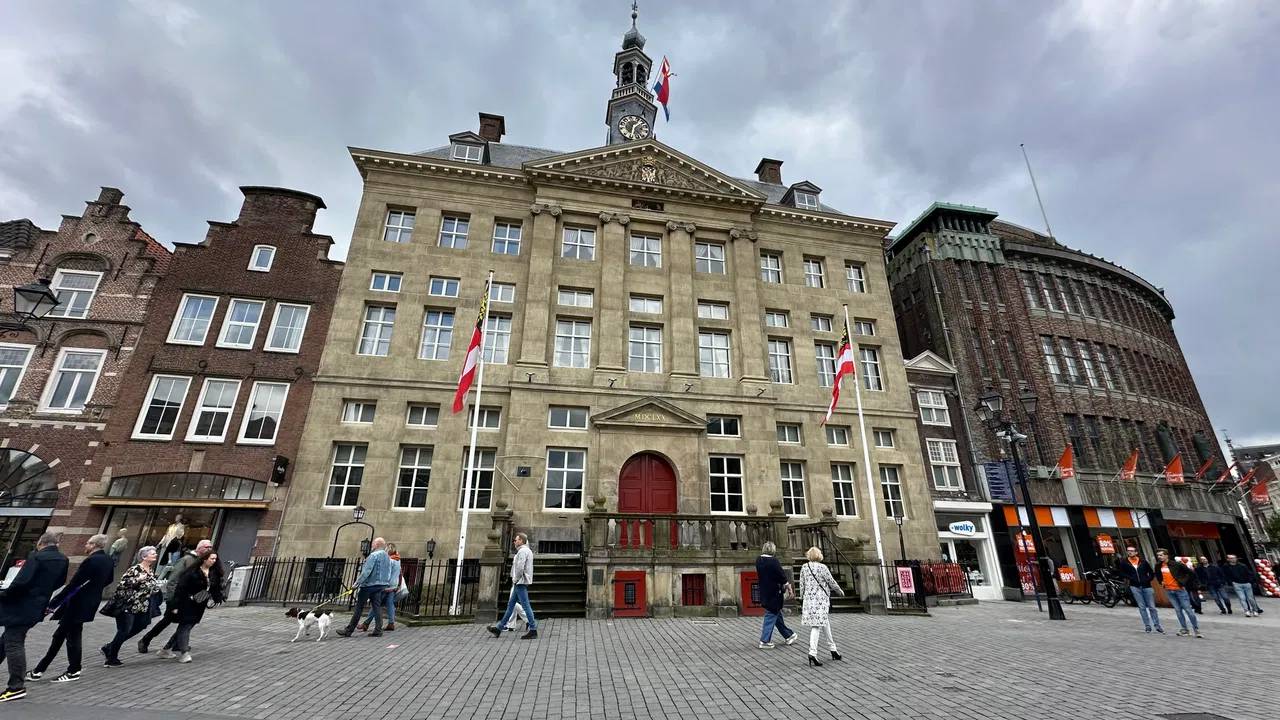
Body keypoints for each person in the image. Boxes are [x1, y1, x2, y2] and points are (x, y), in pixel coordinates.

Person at [26, 534, 115, 684]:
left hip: (78, 603)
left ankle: (71, 670)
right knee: (62, 635)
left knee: (69, 637)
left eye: (87, 543)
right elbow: (110, 579)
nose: (85, 546)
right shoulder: (107, 560)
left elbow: (74, 584)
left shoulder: (91, 560)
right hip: (89, 602)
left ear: (93, 545)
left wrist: (53, 603)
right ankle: (40, 670)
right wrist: (95, 588)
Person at [0, 532, 69, 703]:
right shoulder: (63, 560)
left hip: (20, 605)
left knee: (14, 642)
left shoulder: (36, 557)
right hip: (38, 605)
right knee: (8, 639)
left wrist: (5, 593)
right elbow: (60, 582)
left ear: (41, 543)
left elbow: (22, 582)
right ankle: (17, 684)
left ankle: (16, 686)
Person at [138, 539, 213, 654]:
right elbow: (173, 580)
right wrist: (171, 598)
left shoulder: (204, 562)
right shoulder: (187, 560)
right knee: (167, 620)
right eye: (207, 547)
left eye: (210, 547)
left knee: (187, 622)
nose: (209, 549)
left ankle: (176, 644)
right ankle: (145, 640)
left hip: (193, 599)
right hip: (178, 598)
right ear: (199, 548)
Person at [101, 546, 162, 667]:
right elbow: (122, 585)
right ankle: (111, 658)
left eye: (155, 553)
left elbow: (150, 588)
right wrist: (138, 579)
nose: (155, 555)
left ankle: (109, 647)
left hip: (141, 606)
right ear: (144, 556)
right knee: (124, 630)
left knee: (141, 626)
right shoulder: (134, 569)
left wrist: (157, 586)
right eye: (152, 553)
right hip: (128, 605)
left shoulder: (150, 570)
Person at [159, 552, 223, 663]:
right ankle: (184, 653)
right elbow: (181, 588)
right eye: (212, 558)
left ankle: (166, 649)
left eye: (215, 559)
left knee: (187, 626)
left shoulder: (214, 573)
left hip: (200, 603)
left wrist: (218, 597)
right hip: (187, 602)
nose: (214, 561)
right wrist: (175, 605)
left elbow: (214, 588)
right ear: (204, 559)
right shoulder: (192, 572)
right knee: (185, 626)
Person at [336, 538, 391, 638]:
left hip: (369, 585)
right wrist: (385, 583)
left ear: (377, 544)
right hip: (381, 585)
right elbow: (389, 571)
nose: (372, 545)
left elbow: (366, 571)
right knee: (377, 607)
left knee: (359, 607)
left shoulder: (373, 555)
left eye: (373, 543)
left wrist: (356, 583)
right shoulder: (387, 556)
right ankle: (378, 630)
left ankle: (349, 630)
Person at [799, 546, 843, 668]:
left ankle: (833, 649)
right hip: (821, 600)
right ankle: (812, 652)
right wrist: (839, 591)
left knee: (825, 622)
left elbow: (801, 584)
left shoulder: (804, 567)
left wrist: (801, 597)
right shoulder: (822, 567)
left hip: (809, 600)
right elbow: (831, 581)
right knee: (817, 625)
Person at [487, 532, 537, 640]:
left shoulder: (523, 551)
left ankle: (533, 629)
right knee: (511, 606)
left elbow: (520, 567)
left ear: (521, 541)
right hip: (519, 582)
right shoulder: (525, 551)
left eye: (516, 540)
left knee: (526, 606)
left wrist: (516, 579)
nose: (514, 541)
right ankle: (499, 628)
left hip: (520, 582)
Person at [755, 541, 797, 649]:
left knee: (775, 613)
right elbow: (781, 576)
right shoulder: (773, 561)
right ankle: (764, 641)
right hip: (774, 592)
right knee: (771, 614)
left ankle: (789, 635)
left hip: (764, 590)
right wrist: (789, 588)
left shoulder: (759, 560)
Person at [1153, 549, 1201, 637]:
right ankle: (1185, 630)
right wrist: (1161, 582)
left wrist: (1183, 582)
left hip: (1180, 590)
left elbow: (1190, 573)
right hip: (1169, 591)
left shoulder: (1176, 564)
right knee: (1178, 611)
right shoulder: (1158, 566)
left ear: (1167, 555)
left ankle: (1196, 629)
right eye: (1158, 555)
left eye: (1161, 555)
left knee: (1188, 610)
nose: (1159, 557)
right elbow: (1158, 575)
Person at [1115, 546, 1163, 634]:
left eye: (1132, 551)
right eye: (1128, 551)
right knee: (1142, 607)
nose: (1130, 552)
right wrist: (1130, 578)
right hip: (1135, 586)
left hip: (1147, 586)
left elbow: (1151, 572)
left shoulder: (1143, 562)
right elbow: (1121, 573)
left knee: (1152, 607)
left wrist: (1148, 579)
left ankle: (1157, 625)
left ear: (1136, 552)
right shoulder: (1124, 562)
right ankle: (1147, 626)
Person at [361, 543, 402, 632]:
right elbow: (400, 573)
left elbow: (387, 573)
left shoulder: (390, 560)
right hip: (394, 585)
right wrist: (398, 585)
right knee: (390, 603)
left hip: (386, 585)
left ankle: (366, 623)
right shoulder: (398, 560)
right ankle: (391, 623)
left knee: (376, 603)